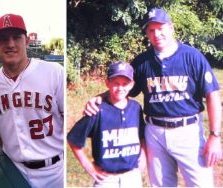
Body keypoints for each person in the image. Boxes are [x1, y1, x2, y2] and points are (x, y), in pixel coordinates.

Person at [83, 8, 222, 187]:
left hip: (188, 131)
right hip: (154, 133)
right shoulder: (142, 62)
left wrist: (215, 136)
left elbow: (212, 95)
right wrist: (99, 98)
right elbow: (123, 87)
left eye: (161, 28)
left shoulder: (192, 57)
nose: (157, 34)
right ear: (147, 33)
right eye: (151, 30)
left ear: (171, 28)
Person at [0, 13, 64, 188]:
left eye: (16, 38)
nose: (10, 44)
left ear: (26, 41)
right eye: (3, 39)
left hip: (54, 172)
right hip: (12, 169)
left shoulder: (54, 72)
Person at [68, 61, 146, 187]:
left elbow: (142, 135)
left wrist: (143, 156)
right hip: (106, 178)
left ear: (132, 85)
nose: (120, 88)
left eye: (125, 84)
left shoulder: (136, 108)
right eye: (116, 83)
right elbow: (73, 139)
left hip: (132, 176)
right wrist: (88, 166)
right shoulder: (97, 110)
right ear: (107, 83)